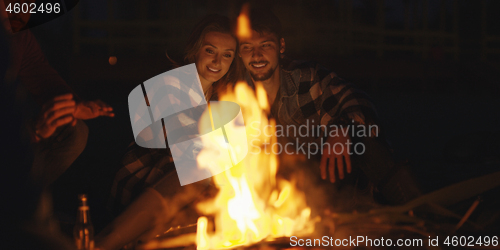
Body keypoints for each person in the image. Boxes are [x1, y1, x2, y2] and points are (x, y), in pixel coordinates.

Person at [237, 6, 420, 205]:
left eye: (265, 45)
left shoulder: (306, 78)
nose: (256, 55)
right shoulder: (236, 93)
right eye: (247, 47)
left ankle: (414, 207)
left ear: (281, 46)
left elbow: (358, 100)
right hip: (276, 189)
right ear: (239, 52)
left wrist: (341, 127)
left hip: (326, 177)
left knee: (362, 138)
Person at [96, 14, 240, 250]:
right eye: (210, 51)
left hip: (188, 187)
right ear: (196, 50)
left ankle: (139, 243)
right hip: (145, 177)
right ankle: (108, 242)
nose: (217, 61)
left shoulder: (221, 99)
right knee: (201, 173)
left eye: (226, 55)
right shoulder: (171, 84)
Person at [2, 0, 115, 187]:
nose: (19, 9)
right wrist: (34, 131)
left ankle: (26, 204)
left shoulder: (19, 36)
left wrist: (74, 106)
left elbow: (41, 75)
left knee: (74, 132)